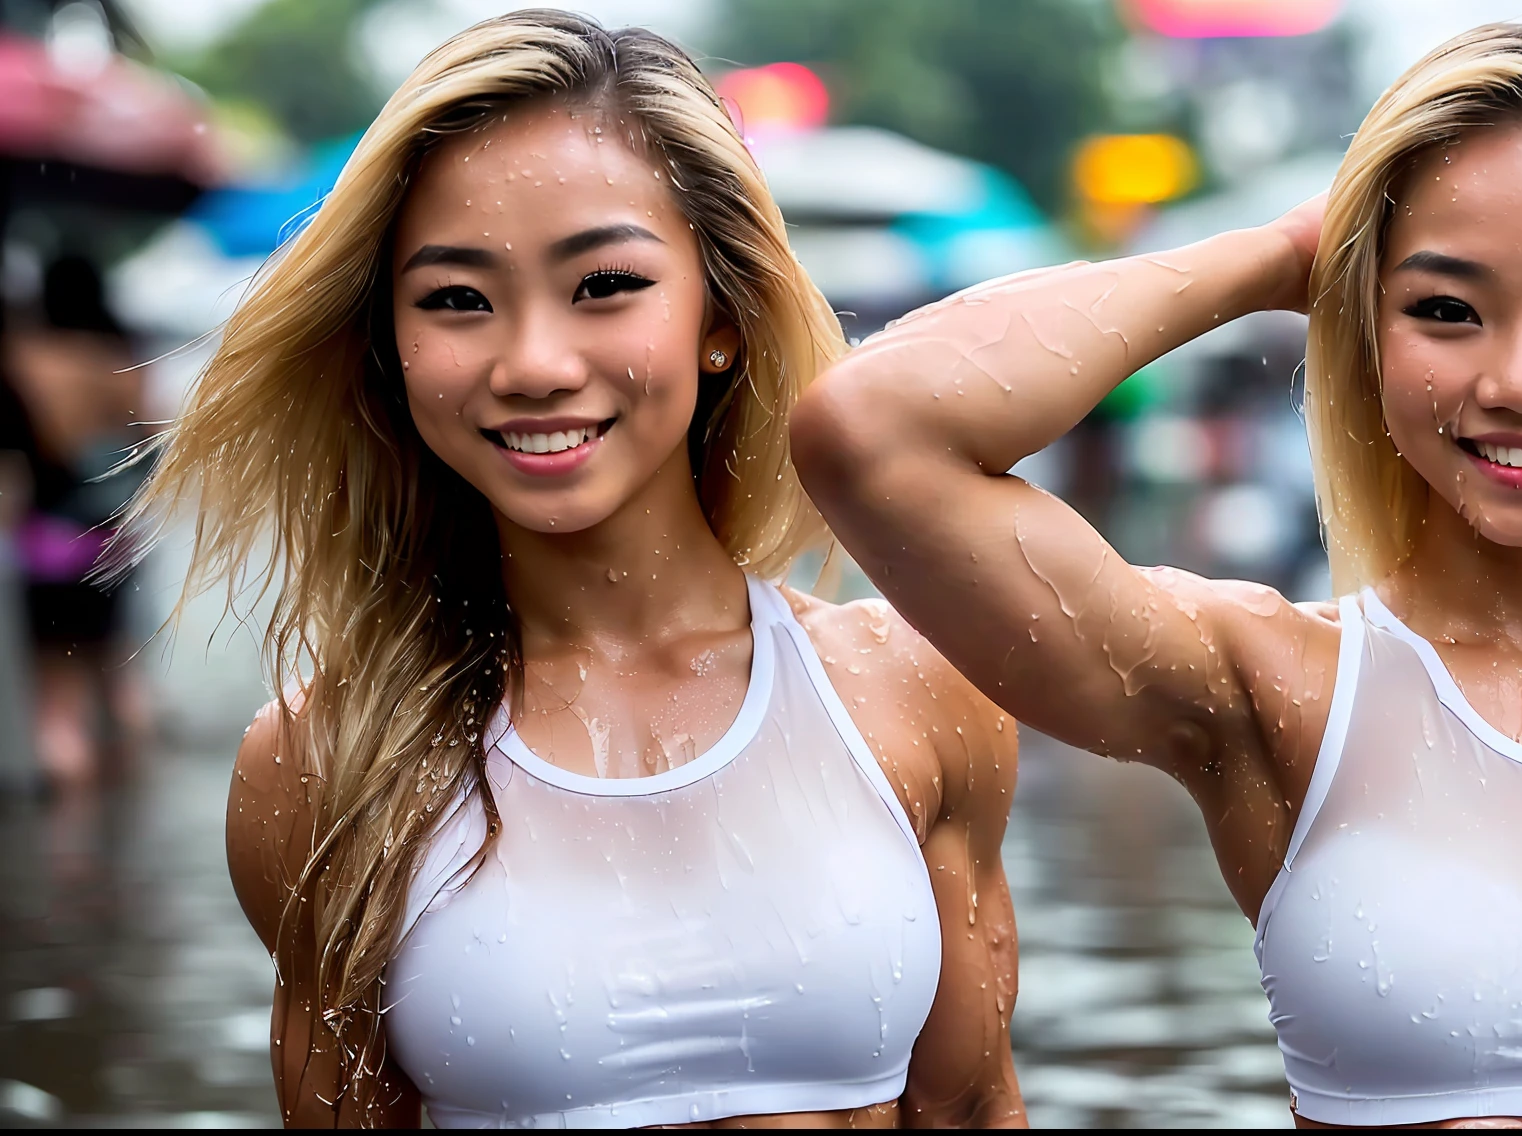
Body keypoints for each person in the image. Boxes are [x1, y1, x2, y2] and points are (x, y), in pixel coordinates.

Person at [794, 23, 1522, 1129]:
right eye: (1443, 308)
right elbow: (868, 433)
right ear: (1365, 335)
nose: (1520, 379)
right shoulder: (1276, 690)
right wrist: (1277, 255)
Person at [121, 12, 1021, 1128]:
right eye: (456, 298)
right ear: (388, 352)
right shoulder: (320, 763)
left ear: (721, 315)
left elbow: (976, 1104)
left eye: (602, 284)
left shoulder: (914, 690)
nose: (534, 363)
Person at [5, 255, 152, 791]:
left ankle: (72, 838)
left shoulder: (26, 359)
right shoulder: (119, 359)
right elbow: (146, 440)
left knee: (58, 691)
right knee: (118, 673)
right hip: (112, 533)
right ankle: (134, 797)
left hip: (49, 536)